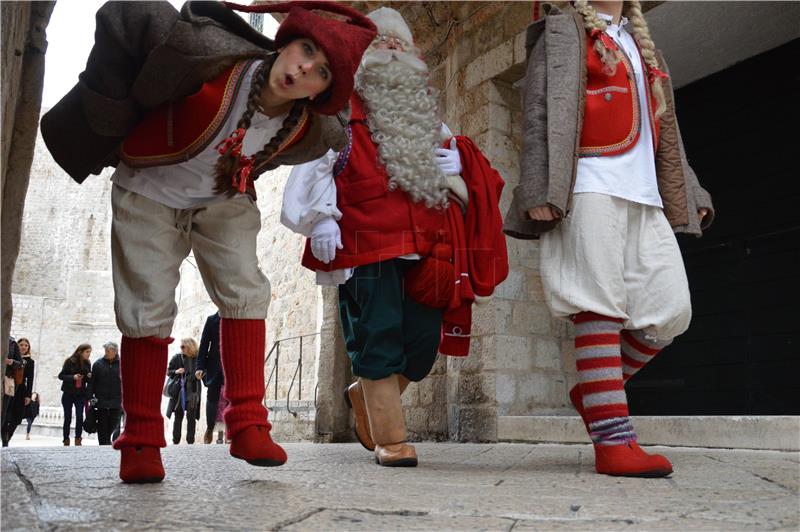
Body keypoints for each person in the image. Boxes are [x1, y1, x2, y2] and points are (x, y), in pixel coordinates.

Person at [41, 0, 376, 483]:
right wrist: (109, 109)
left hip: (223, 195)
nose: (303, 69)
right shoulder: (208, 53)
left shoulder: (311, 129)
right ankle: (140, 437)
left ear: (324, 90)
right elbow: (123, 14)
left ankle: (247, 422)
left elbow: (319, 136)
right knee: (147, 301)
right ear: (285, 41)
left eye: (320, 72)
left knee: (247, 288)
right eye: (305, 50)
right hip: (149, 184)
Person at [282, 8, 508, 467]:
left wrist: (459, 170)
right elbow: (313, 169)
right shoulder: (339, 114)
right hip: (366, 247)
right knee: (379, 337)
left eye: (399, 44)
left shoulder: (426, 118)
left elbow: (468, 171)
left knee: (422, 348)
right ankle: (391, 439)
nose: (390, 50)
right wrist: (321, 219)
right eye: (380, 43)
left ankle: (362, 392)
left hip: (427, 247)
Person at [503, 0, 714, 478]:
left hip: (646, 194)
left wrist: (691, 188)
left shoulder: (642, 42)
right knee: (597, 303)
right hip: (588, 182)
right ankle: (614, 441)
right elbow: (537, 109)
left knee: (671, 309)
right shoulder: (559, 27)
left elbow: (667, 129)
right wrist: (537, 185)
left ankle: (593, 394)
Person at [166, 338, 201, 445]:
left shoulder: (198, 358)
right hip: (180, 391)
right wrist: (176, 371)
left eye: (183, 347)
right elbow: (168, 371)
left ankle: (190, 441)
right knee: (178, 415)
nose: (181, 349)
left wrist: (200, 376)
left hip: (193, 391)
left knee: (191, 417)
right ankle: (175, 441)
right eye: (181, 347)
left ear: (190, 347)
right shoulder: (177, 358)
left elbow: (204, 373)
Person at [196, 312, 224, 444]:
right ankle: (210, 427)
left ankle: (230, 430)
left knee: (232, 397)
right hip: (214, 366)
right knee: (212, 397)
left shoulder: (235, 317)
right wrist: (200, 367)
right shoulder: (212, 320)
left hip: (231, 364)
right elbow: (204, 345)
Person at [58, 344, 92, 446]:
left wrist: (89, 376)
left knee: (79, 417)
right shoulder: (70, 361)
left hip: (80, 394)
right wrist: (73, 377)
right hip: (68, 393)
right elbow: (61, 376)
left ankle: (78, 439)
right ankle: (66, 439)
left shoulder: (87, 363)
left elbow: (86, 379)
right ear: (80, 352)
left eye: (90, 352)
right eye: (87, 352)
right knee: (67, 417)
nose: (89, 354)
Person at [91, 342, 122, 445]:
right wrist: (90, 396)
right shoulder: (98, 364)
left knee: (114, 422)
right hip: (101, 398)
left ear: (115, 351)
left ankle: (106, 440)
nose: (106, 353)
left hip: (117, 398)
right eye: (105, 351)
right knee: (102, 423)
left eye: (108, 351)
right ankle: (103, 443)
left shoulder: (123, 364)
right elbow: (93, 382)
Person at [2, 337, 23, 446]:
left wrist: (11, 362)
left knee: (3, 411)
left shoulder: (12, 342)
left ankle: (4, 438)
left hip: (7, 381)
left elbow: (20, 363)